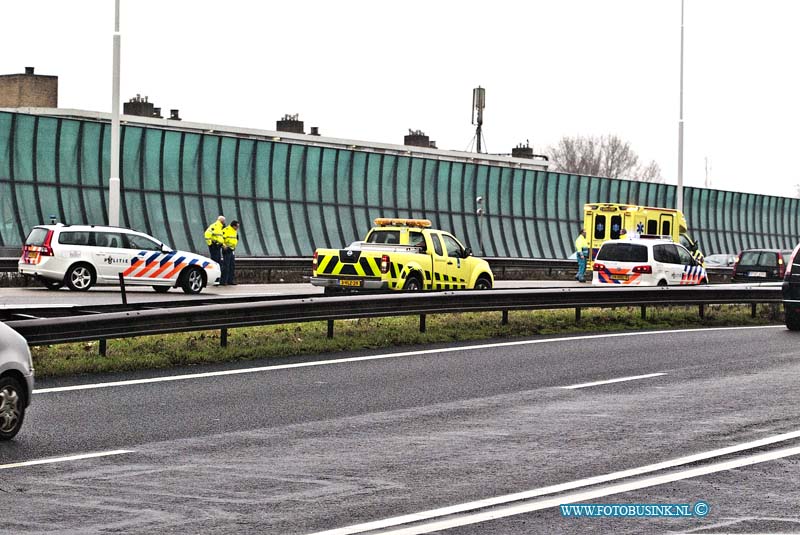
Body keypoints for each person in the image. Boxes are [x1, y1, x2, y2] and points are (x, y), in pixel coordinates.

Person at [221, 220, 240, 286]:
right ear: (233, 225)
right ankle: (223, 281)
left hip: (232, 249)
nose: (237, 228)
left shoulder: (234, 231)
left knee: (232, 266)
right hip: (227, 249)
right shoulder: (226, 230)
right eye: (237, 226)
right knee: (226, 266)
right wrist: (224, 246)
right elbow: (221, 239)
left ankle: (230, 280)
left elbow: (236, 239)